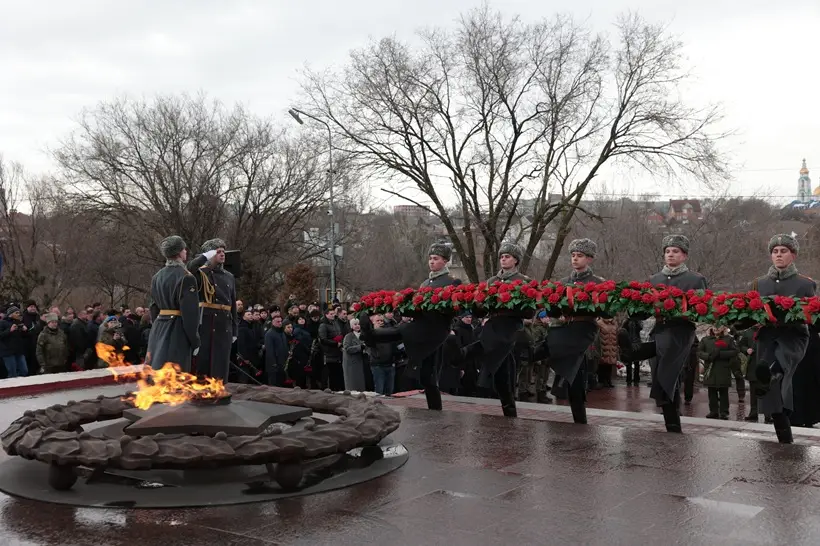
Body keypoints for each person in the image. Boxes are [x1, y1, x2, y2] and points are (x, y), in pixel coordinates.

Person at [359, 242, 462, 410]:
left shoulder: (452, 281)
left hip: (435, 330)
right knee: (427, 375)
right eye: (430, 259)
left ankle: (370, 334)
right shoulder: (425, 283)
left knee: (402, 332)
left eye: (435, 259)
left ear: (445, 261)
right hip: (421, 325)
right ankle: (435, 410)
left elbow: (455, 309)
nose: (431, 262)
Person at [752, 234, 816, 443]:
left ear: (793, 255)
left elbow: (812, 312)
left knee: (778, 369)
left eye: (783, 251)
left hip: (793, 338)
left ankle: (771, 372)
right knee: (774, 394)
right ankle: (784, 439)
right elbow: (751, 311)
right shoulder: (759, 283)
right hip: (767, 337)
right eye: (775, 251)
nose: (778, 255)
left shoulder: (805, 284)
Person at [534, 238, 606, 423]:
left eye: (580, 256)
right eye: (573, 255)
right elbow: (552, 311)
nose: (575, 259)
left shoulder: (598, 282)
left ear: (589, 259)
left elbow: (606, 311)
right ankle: (577, 413)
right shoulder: (563, 282)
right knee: (576, 372)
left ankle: (560, 381)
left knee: (573, 362)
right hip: (565, 327)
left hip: (584, 329)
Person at [649, 234, 708, 433]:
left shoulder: (695, 279)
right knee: (660, 372)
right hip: (659, 330)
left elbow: (702, 308)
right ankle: (671, 419)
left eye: (675, 251)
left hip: (681, 331)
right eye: (667, 251)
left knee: (669, 371)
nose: (670, 255)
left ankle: (673, 420)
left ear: (684, 256)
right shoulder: (655, 279)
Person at [473, 242, 531, 417]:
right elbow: (480, 311)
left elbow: (529, 311)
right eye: (501, 256)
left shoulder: (523, 281)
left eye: (508, 256)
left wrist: (509, 303)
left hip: (511, 330)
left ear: (516, 260)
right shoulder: (492, 281)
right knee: (494, 374)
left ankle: (509, 411)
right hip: (493, 330)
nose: (503, 259)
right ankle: (501, 413)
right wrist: (477, 303)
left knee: (507, 373)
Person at [146, 236, 200, 372]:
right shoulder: (187, 277)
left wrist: (157, 327)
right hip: (177, 330)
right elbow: (190, 314)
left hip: (158, 328)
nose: (186, 252)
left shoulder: (157, 276)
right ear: (178, 253)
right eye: (183, 249)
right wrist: (195, 340)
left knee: (157, 373)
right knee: (176, 375)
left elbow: (153, 307)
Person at [188, 238, 238, 381]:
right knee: (204, 364)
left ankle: (220, 391)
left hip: (224, 325)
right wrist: (203, 257)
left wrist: (235, 330)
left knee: (221, 365)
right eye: (218, 252)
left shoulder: (229, 276)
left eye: (223, 251)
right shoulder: (201, 273)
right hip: (206, 324)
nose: (222, 254)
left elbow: (233, 304)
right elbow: (189, 268)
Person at [698, 327, 740, 419]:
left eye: (719, 326)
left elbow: (735, 351)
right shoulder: (705, 339)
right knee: (711, 391)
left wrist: (721, 354)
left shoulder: (729, 339)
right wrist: (708, 356)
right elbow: (699, 352)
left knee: (723, 391)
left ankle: (724, 411)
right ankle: (713, 411)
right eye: (715, 326)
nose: (716, 329)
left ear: (723, 328)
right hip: (710, 369)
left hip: (723, 368)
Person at [0, 306, 29, 377]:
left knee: (24, 371)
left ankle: (21, 384)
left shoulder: (19, 322)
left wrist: (25, 331)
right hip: (8, 352)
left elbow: (24, 336)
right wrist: (9, 330)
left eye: (19, 313)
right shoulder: (2, 323)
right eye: (16, 313)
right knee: (12, 373)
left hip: (19, 351)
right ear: (10, 314)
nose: (18, 314)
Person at [342, 317, 367, 391]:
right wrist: (360, 347)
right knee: (353, 383)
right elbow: (347, 348)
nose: (357, 326)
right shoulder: (348, 336)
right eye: (355, 324)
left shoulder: (363, 335)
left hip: (361, 361)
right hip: (352, 363)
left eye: (358, 324)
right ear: (351, 326)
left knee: (361, 382)